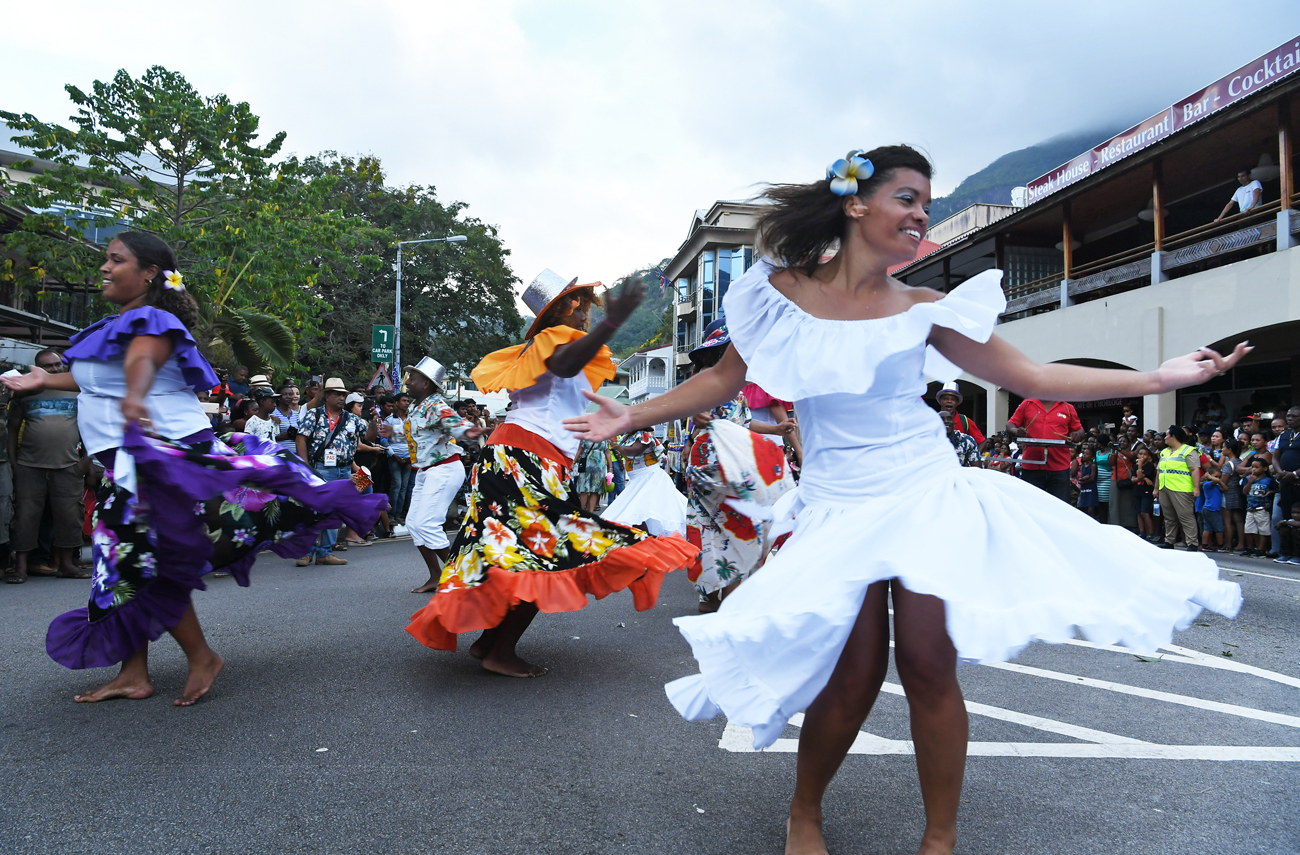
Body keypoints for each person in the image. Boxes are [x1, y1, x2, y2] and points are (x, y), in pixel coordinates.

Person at [564, 145, 1245, 855]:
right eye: (909, 198)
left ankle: (939, 839)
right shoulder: (780, 294)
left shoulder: (925, 308)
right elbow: (723, 381)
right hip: (838, 504)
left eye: (927, 201)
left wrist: (1157, 378)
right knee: (853, 674)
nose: (922, 214)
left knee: (926, 662)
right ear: (857, 202)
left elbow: (1034, 373)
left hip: (924, 489)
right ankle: (805, 812)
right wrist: (632, 416)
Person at [4, 232, 383, 705]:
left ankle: (190, 658)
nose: (104, 267)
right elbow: (97, 378)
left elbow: (143, 360)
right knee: (127, 562)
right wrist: (44, 379)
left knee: (136, 558)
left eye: (115, 259)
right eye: (106, 259)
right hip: (131, 463)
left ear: (147, 274)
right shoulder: (119, 324)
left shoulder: (152, 320)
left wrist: (136, 396)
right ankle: (136, 671)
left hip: (164, 458)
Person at [405, 270, 695, 678]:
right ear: (565, 308)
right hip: (522, 459)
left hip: (519, 457)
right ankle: (499, 649)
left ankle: (491, 643)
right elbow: (564, 364)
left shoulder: (544, 348)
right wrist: (614, 323)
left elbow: (563, 398)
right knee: (542, 554)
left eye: (592, 310)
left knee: (517, 554)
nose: (587, 317)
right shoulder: (554, 343)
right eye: (583, 307)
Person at [682, 322, 794, 613]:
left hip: (729, 455)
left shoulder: (735, 384)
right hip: (715, 459)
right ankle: (729, 602)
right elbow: (694, 409)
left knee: (717, 526)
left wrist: (776, 429)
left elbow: (743, 423)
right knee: (738, 524)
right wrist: (699, 415)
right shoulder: (708, 378)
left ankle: (711, 596)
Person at [390, 357, 484, 595]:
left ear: (426, 384)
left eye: (413, 378)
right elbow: (412, 434)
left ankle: (465, 578)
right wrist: (390, 430)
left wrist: (472, 430)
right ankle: (437, 576)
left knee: (427, 524)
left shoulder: (436, 406)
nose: (408, 381)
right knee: (413, 524)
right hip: (426, 471)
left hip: (444, 469)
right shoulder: (418, 407)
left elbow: (456, 424)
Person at [5, 348, 88, 583]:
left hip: (68, 464)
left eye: (58, 364)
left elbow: (87, 428)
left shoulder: (78, 391)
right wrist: (14, 463)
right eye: (48, 366)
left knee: (70, 516)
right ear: (38, 368)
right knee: (25, 516)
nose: (55, 368)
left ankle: (65, 565)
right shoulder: (24, 393)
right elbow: (12, 430)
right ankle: (20, 567)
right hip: (29, 465)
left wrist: (87, 461)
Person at [295, 378, 379, 566]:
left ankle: (325, 553)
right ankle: (306, 552)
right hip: (321, 468)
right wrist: (306, 466)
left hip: (344, 469)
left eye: (344, 394)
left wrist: (374, 422)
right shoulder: (314, 415)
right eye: (338, 394)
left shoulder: (352, 418)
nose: (342, 398)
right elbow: (300, 439)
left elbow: (369, 436)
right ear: (327, 396)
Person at [603, 426, 689, 536]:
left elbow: (637, 450)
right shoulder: (627, 437)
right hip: (637, 479)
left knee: (639, 509)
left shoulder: (643, 434)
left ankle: (647, 539)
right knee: (640, 511)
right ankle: (646, 539)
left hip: (649, 477)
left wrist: (619, 448)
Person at [1007, 396, 1085, 501]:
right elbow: (1010, 425)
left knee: (1060, 506)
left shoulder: (1067, 407)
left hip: (1059, 467)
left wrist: (1077, 434)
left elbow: (1080, 431)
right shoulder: (1027, 404)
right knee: (1031, 505)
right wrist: (1016, 431)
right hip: (1032, 465)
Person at [1156, 425, 1201, 550]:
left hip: (1181, 488)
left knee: (1185, 516)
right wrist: (1156, 488)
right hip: (1165, 487)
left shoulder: (1188, 450)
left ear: (1174, 436)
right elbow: (1159, 471)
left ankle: (1192, 542)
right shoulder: (1165, 452)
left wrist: (1196, 487)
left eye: (1167, 435)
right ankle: (1169, 541)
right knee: (1169, 517)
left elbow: (1194, 469)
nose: (1165, 437)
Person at [384, 391, 415, 531]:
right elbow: (384, 440)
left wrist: (411, 455)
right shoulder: (390, 420)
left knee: (404, 487)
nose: (406, 403)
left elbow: (415, 438)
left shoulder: (411, 419)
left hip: (408, 458)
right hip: (395, 457)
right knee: (396, 485)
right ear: (396, 403)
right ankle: (390, 514)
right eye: (404, 400)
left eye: (407, 401)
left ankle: (398, 514)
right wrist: (393, 455)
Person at [1242, 456, 1276, 557]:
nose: (1254, 469)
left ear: (1265, 469)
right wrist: (1250, 481)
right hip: (1250, 508)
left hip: (1262, 509)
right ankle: (1250, 547)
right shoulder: (1248, 479)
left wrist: (1270, 491)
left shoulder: (1268, 481)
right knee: (1249, 529)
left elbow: (1277, 489)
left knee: (1263, 530)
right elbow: (1244, 491)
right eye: (1252, 467)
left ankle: (1261, 549)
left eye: (1257, 467)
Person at [574, 437, 610, 513]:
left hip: (599, 466)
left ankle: (590, 513)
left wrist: (611, 467)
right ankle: (581, 511)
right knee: (584, 489)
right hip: (586, 466)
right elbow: (579, 450)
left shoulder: (605, 437)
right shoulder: (585, 436)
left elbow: (607, 452)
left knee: (595, 490)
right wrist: (573, 462)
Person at [1133, 446, 1158, 541]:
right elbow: (1133, 479)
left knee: (1145, 512)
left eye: (1145, 454)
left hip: (1146, 491)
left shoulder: (1150, 466)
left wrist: (1140, 466)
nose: (1142, 456)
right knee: (1139, 512)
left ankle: (1151, 533)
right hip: (1137, 490)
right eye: (1140, 454)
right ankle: (1142, 532)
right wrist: (1144, 478)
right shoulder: (1135, 466)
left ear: (1149, 457)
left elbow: (1138, 476)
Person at [270, 380, 300, 453]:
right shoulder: (273, 413)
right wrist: (290, 435)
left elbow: (300, 432)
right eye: (285, 394)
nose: (288, 397)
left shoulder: (295, 414)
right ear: (279, 397)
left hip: (296, 452)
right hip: (280, 452)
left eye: (290, 394)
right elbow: (272, 436)